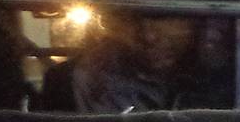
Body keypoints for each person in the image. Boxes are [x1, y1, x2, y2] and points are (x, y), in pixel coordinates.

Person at [68, 13, 197, 113]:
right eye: (135, 20)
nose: (149, 36)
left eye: (163, 18)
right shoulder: (99, 75)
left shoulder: (210, 75)